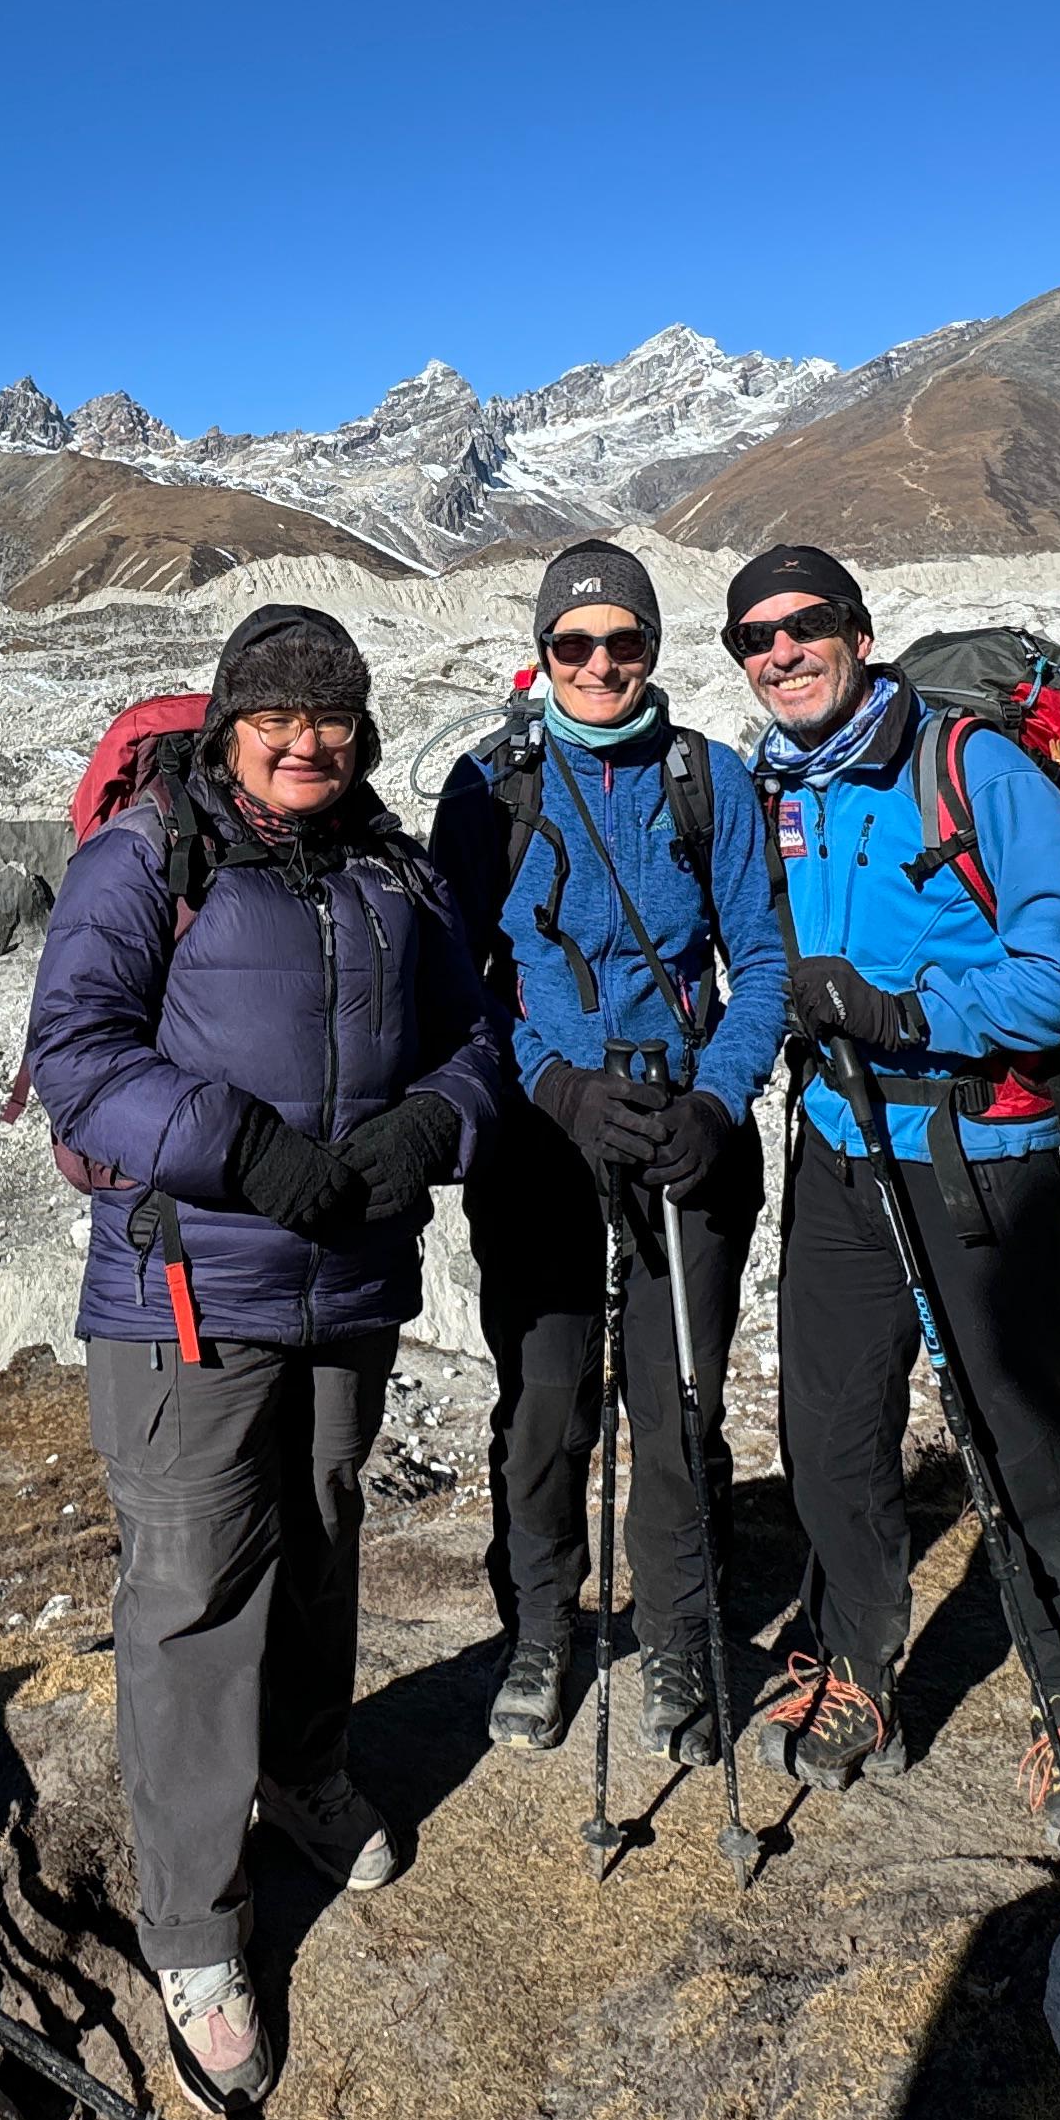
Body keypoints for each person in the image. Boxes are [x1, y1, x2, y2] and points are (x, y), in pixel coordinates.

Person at [25, 601, 513, 2109]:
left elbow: (477, 1032)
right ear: (230, 724)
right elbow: (79, 1055)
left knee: (320, 1536)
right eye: (278, 718)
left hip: (347, 1288)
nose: (308, 743)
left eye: (336, 719)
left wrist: (437, 1123)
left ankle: (302, 1772)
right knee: (190, 1595)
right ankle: (193, 1926)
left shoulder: (391, 871)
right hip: (189, 1299)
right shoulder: (145, 859)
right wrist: (242, 1147)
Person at [721, 543, 1060, 1856]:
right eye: (756, 638)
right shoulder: (775, 792)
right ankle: (861, 1667)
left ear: (858, 635)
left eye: (807, 628)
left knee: (1016, 1439)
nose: (783, 652)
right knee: (833, 1428)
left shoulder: (972, 769)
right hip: (839, 1149)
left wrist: (905, 1008)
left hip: (980, 1154)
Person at [431, 542, 786, 1770]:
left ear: (651, 651)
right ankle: (542, 1626)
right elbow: (456, 981)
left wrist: (720, 1102)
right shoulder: (491, 788)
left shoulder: (710, 782)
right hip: (541, 1139)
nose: (598, 664)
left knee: (679, 1401)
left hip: (685, 1135)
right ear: (542, 654)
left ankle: (681, 1631)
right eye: (574, 644)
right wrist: (553, 1084)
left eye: (621, 642)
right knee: (545, 1402)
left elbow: (765, 966)